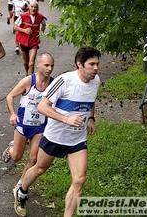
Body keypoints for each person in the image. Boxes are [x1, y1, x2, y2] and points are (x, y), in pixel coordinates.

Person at [15, 47, 101, 217]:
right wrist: (67, 119)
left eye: (97, 64)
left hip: (76, 139)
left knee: (79, 180)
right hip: (55, 136)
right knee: (39, 169)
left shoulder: (96, 80)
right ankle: (21, 190)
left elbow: (90, 101)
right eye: (91, 64)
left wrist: (91, 119)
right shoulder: (64, 81)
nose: (96, 68)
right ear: (80, 65)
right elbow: (42, 106)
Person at [2, 53, 54, 195]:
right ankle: (11, 148)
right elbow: (10, 96)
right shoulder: (28, 81)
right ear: (38, 65)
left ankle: (20, 184)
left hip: (40, 126)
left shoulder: (54, 84)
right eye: (46, 65)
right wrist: (12, 114)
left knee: (34, 158)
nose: (49, 69)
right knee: (17, 156)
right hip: (23, 125)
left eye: (51, 66)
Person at [14, 1, 46, 75]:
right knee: (26, 62)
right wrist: (24, 30)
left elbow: (44, 24)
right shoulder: (23, 16)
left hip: (34, 41)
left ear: (37, 8)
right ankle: (27, 74)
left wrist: (42, 31)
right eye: (32, 6)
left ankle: (30, 79)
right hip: (23, 41)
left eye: (35, 7)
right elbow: (15, 26)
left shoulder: (40, 17)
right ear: (29, 7)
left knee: (31, 63)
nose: (33, 9)